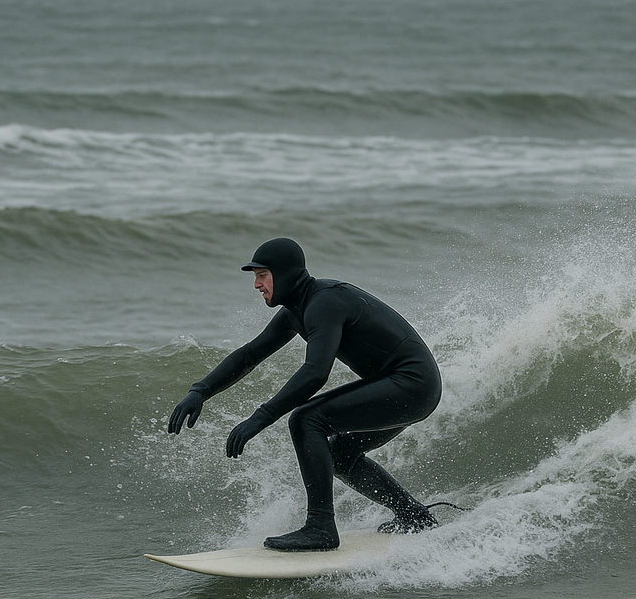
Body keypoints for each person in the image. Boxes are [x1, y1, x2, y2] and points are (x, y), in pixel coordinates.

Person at [167, 237, 442, 552]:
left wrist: (260, 418)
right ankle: (413, 515)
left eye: (262, 275)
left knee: (306, 419)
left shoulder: (324, 302)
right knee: (340, 455)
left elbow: (315, 372)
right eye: (255, 277)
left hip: (411, 384)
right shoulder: (297, 310)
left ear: (284, 274)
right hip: (412, 387)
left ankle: (321, 527)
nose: (256, 285)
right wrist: (200, 390)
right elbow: (249, 355)